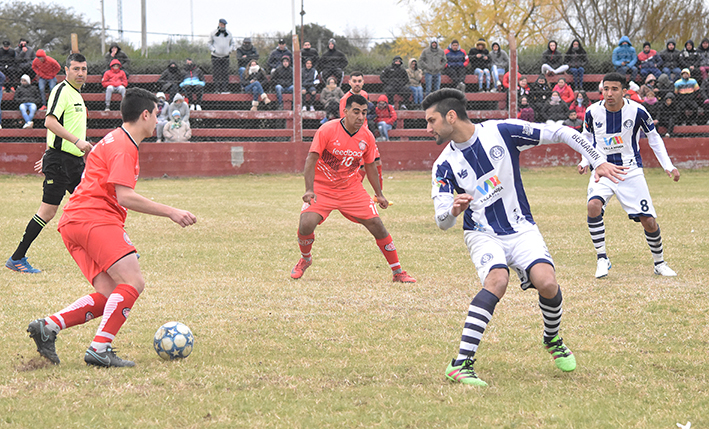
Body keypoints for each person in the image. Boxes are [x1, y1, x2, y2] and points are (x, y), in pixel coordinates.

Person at [424, 88, 624, 386]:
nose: (428, 129)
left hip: (521, 228)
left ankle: (552, 339)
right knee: (497, 280)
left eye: (432, 121)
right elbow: (442, 222)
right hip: (482, 233)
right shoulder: (443, 164)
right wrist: (452, 211)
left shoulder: (502, 131)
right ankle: (460, 363)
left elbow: (562, 133)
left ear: (451, 117)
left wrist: (597, 160)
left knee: (547, 282)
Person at [26, 87, 197, 367]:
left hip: (74, 222)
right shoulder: (124, 146)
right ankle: (100, 348)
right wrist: (172, 212)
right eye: (156, 114)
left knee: (109, 294)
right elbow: (125, 196)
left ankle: (48, 326)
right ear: (145, 115)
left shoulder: (113, 139)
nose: (158, 120)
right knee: (133, 282)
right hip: (94, 219)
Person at [290, 93, 416, 283]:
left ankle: (398, 272)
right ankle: (305, 260)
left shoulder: (367, 136)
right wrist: (309, 189)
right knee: (306, 224)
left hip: (351, 189)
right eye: (356, 112)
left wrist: (379, 194)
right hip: (322, 188)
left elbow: (371, 166)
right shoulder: (327, 130)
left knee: (377, 225)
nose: (360, 117)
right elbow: (311, 159)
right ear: (345, 111)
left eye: (364, 113)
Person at [578, 72, 679, 278]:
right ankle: (602, 258)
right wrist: (584, 160)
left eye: (614, 89)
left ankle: (659, 263)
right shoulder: (592, 112)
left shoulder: (638, 111)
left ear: (624, 91)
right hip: (603, 169)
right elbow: (586, 137)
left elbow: (654, 138)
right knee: (593, 206)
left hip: (630, 170)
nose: (609, 93)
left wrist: (668, 165)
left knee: (648, 220)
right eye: (606, 89)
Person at [6, 53, 91, 273]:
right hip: (61, 162)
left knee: (91, 202)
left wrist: (49, 153)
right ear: (66, 70)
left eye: (83, 69)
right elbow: (49, 122)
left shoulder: (78, 95)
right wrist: (73, 144)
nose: (80, 73)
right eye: (76, 69)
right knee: (48, 212)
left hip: (72, 162)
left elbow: (61, 128)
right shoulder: (61, 90)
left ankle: (114, 249)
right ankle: (17, 258)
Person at [208, 18, 234, 94]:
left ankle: (224, 89)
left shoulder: (229, 33)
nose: (223, 26)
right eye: (222, 24)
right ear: (219, 24)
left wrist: (230, 50)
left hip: (225, 56)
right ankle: (216, 89)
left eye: (224, 25)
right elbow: (209, 43)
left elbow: (232, 43)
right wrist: (213, 50)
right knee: (216, 73)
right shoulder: (213, 32)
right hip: (215, 56)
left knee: (225, 73)